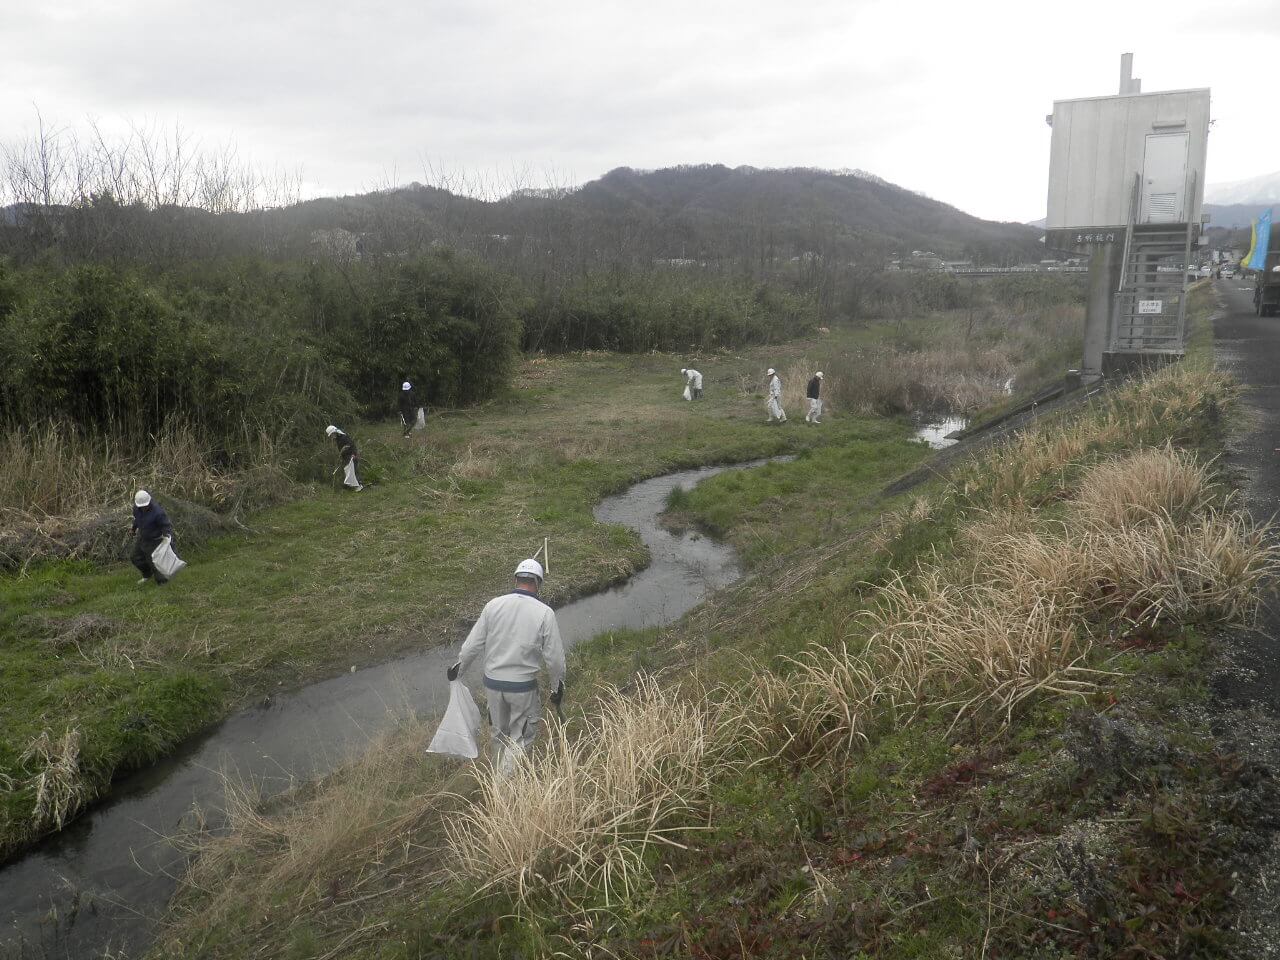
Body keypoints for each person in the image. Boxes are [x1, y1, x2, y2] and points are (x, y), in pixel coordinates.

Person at [448, 558, 565, 772]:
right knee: (521, 738)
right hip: (522, 689)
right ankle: (503, 788)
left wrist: (459, 669)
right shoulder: (545, 613)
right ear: (538, 583)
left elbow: (472, 645)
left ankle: (497, 779)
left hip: (493, 686)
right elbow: (555, 658)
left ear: (515, 579)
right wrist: (557, 687)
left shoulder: (493, 606)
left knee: (498, 735)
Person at [130, 489, 175, 585]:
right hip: (142, 536)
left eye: (145, 506)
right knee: (135, 557)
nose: (143, 508)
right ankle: (147, 574)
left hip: (155, 539)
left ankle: (162, 582)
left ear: (149, 502)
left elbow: (166, 526)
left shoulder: (158, 512)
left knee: (154, 562)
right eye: (141, 506)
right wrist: (133, 529)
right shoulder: (136, 508)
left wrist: (167, 538)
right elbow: (137, 519)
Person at [325, 425, 363, 491]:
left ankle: (359, 486)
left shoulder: (344, 437)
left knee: (354, 471)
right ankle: (352, 486)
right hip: (346, 457)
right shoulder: (337, 439)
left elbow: (352, 445)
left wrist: (354, 454)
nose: (331, 436)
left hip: (351, 456)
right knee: (348, 471)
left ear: (335, 432)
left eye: (332, 434)